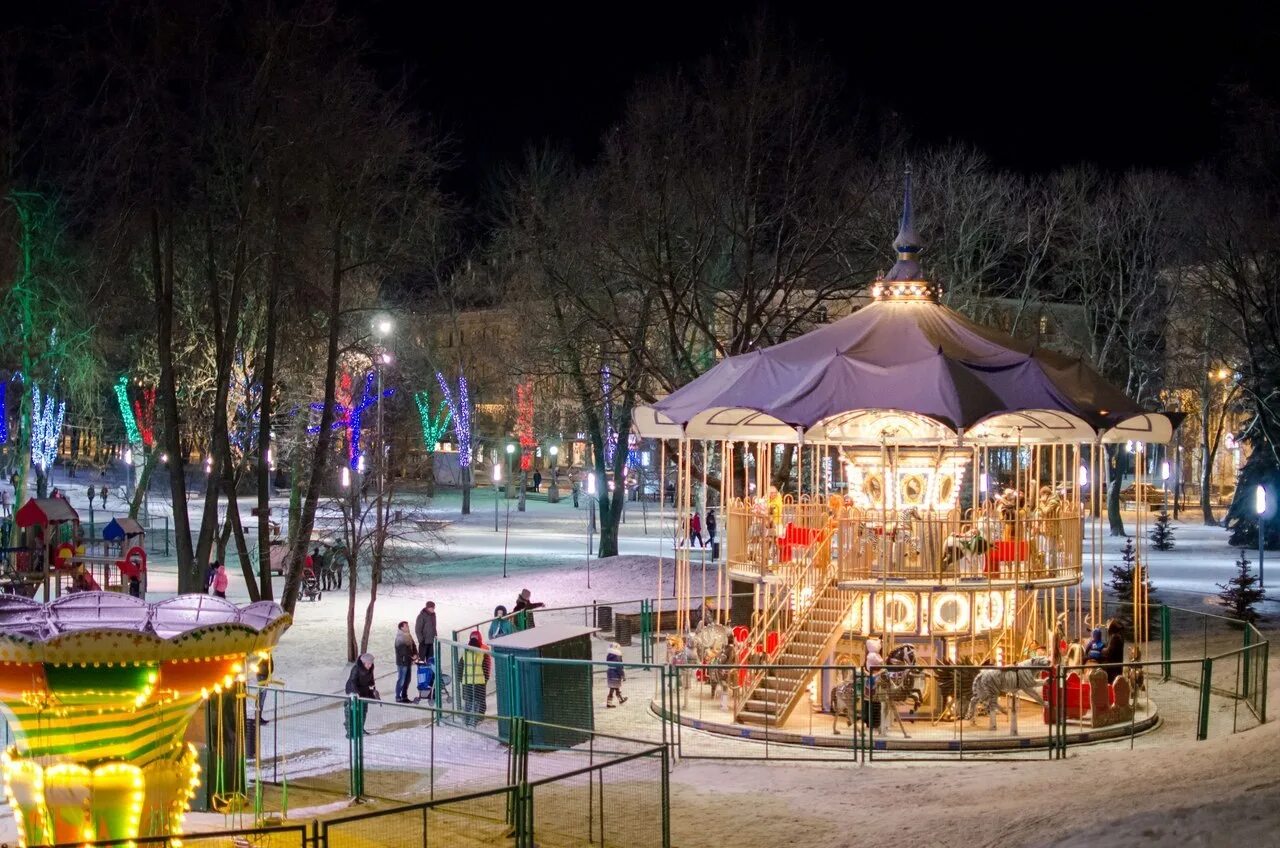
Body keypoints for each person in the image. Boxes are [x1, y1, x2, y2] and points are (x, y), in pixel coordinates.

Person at [458, 631, 491, 727]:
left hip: (466, 682)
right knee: (477, 702)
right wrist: (485, 679)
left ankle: (466, 720)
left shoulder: (465, 654)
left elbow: (460, 667)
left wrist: (461, 679)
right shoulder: (482, 653)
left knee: (468, 701)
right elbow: (485, 668)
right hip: (479, 683)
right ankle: (474, 721)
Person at [344, 653, 378, 737]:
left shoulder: (370, 668)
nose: (370, 665)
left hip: (364, 691)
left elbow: (371, 679)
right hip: (354, 691)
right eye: (368, 663)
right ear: (363, 663)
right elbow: (352, 682)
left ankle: (361, 728)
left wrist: (373, 689)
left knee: (364, 711)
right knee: (354, 711)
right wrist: (355, 694)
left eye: (371, 663)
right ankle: (350, 729)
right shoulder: (356, 669)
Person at [394, 621, 418, 703]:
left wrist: (415, 654)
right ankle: (398, 697)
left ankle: (404, 696)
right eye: (406, 626)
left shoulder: (408, 635)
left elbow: (413, 645)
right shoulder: (400, 638)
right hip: (402, 662)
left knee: (407, 679)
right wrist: (412, 656)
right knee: (402, 680)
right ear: (401, 628)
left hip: (408, 661)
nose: (408, 627)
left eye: (408, 625)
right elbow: (403, 651)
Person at [1100, 619, 1126, 684]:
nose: (1107, 627)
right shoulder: (1118, 636)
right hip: (1116, 665)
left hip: (1112, 667)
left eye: (1108, 625)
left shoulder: (1115, 637)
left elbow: (1109, 652)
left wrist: (1102, 650)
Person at [606, 642, 627, 707]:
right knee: (613, 687)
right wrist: (622, 675)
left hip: (610, 672)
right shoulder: (617, 656)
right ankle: (609, 703)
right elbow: (619, 666)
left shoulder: (609, 655)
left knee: (614, 686)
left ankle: (620, 699)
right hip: (615, 673)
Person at [256, 654, 274, 723]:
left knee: (261, 697)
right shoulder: (263, 653)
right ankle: (258, 718)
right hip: (263, 675)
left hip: (264, 675)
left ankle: (258, 717)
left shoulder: (266, 652)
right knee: (261, 697)